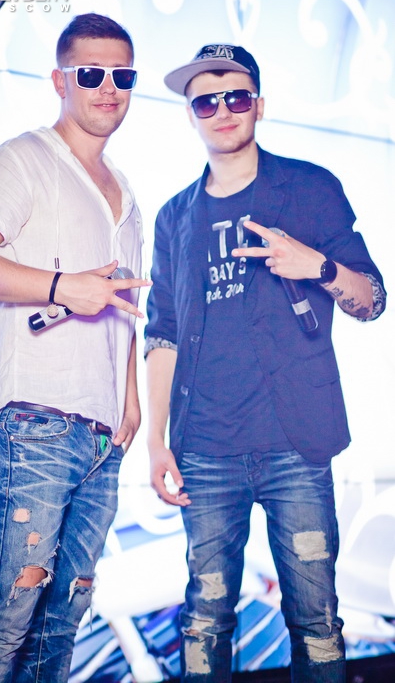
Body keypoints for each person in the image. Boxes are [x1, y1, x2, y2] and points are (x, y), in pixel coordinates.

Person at [145, 44, 386, 683]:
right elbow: (162, 333)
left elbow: (372, 300)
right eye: (206, 101)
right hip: (203, 451)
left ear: (259, 105)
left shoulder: (309, 188)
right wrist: (156, 441)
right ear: (191, 115)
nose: (222, 109)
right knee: (203, 623)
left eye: (236, 96)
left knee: (317, 624)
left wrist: (318, 266)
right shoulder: (174, 217)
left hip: (295, 446)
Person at [0, 13, 151, 683]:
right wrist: (64, 286)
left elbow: (123, 306)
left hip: (102, 436)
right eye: (91, 74)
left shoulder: (127, 196)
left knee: (61, 627)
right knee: (7, 618)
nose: (108, 88)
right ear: (60, 81)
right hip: (35, 419)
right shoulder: (21, 159)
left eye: (122, 76)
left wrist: (129, 401)